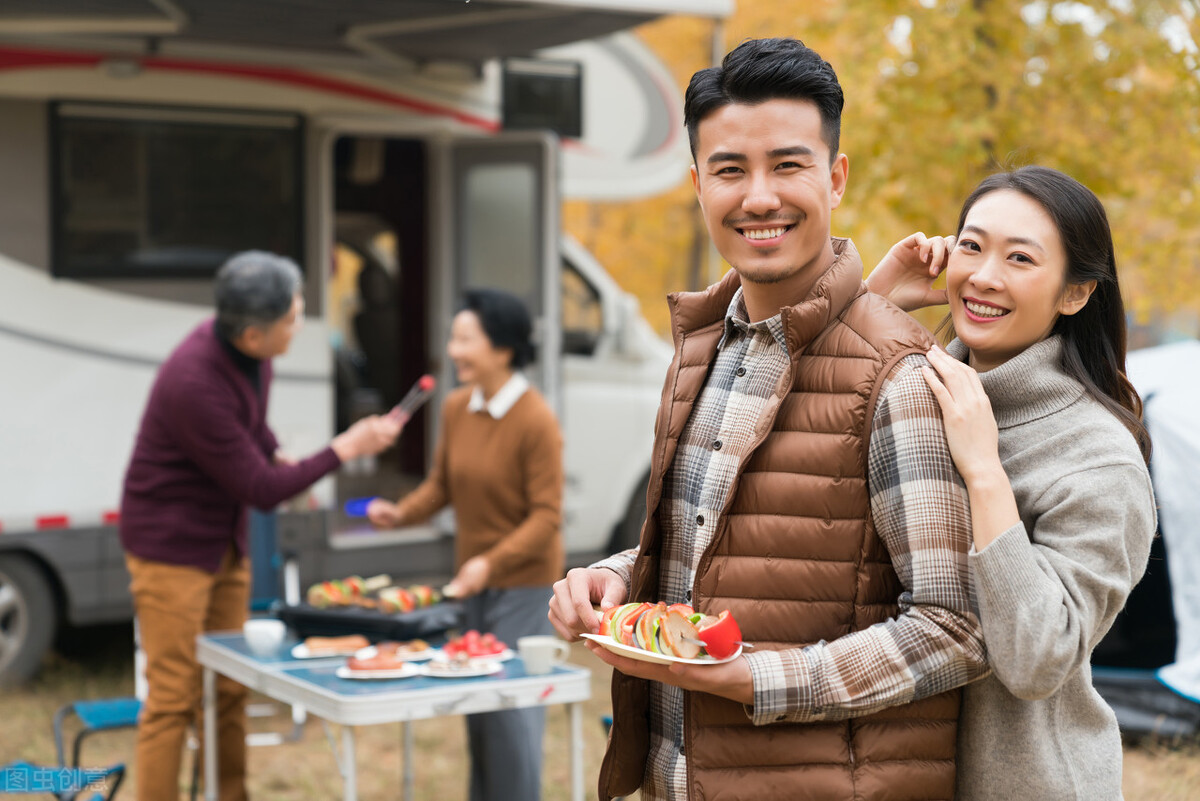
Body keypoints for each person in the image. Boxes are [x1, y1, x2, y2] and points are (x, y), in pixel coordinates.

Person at [548, 38, 987, 801]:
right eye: (729, 169)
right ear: (697, 183)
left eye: (787, 165)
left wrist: (755, 678)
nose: (757, 197)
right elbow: (711, 545)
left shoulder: (897, 374)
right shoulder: (701, 348)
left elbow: (955, 628)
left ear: (835, 176)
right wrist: (613, 577)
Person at [868, 166, 1156, 799]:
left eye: (1020, 258)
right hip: (883, 772)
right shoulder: (915, 388)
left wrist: (984, 470)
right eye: (971, 246)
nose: (983, 276)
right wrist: (874, 305)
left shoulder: (1100, 458)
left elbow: (1036, 660)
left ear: (1075, 293)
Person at [120, 251, 401, 801]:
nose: (300, 322)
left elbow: (252, 431)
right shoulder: (193, 380)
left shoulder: (254, 355)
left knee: (229, 685)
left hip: (223, 540)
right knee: (174, 697)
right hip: (169, 546)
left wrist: (279, 455)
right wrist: (345, 447)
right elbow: (260, 491)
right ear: (251, 333)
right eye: (293, 317)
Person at [367, 288, 563, 801]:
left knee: (510, 718)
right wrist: (401, 512)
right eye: (453, 339)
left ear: (502, 348)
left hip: (522, 586)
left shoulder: (535, 419)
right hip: (471, 583)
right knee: (477, 711)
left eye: (464, 339)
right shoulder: (456, 408)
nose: (453, 351)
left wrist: (490, 563)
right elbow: (441, 486)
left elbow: (546, 518)